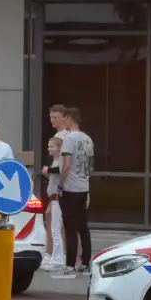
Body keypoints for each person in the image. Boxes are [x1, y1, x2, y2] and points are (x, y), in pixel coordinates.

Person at [55, 107, 94, 278]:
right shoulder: (88, 140)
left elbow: (67, 165)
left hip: (70, 188)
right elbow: (90, 167)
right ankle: (85, 262)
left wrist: (61, 185)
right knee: (83, 226)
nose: (63, 121)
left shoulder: (69, 139)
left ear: (69, 119)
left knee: (70, 227)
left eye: (64, 118)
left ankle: (70, 264)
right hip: (83, 187)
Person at [40, 136, 66, 271]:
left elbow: (60, 171)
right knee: (54, 228)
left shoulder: (60, 160)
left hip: (56, 197)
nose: (50, 148)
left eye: (52, 146)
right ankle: (57, 256)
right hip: (53, 196)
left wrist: (48, 170)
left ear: (59, 148)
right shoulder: (55, 160)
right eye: (49, 146)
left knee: (55, 229)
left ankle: (58, 259)